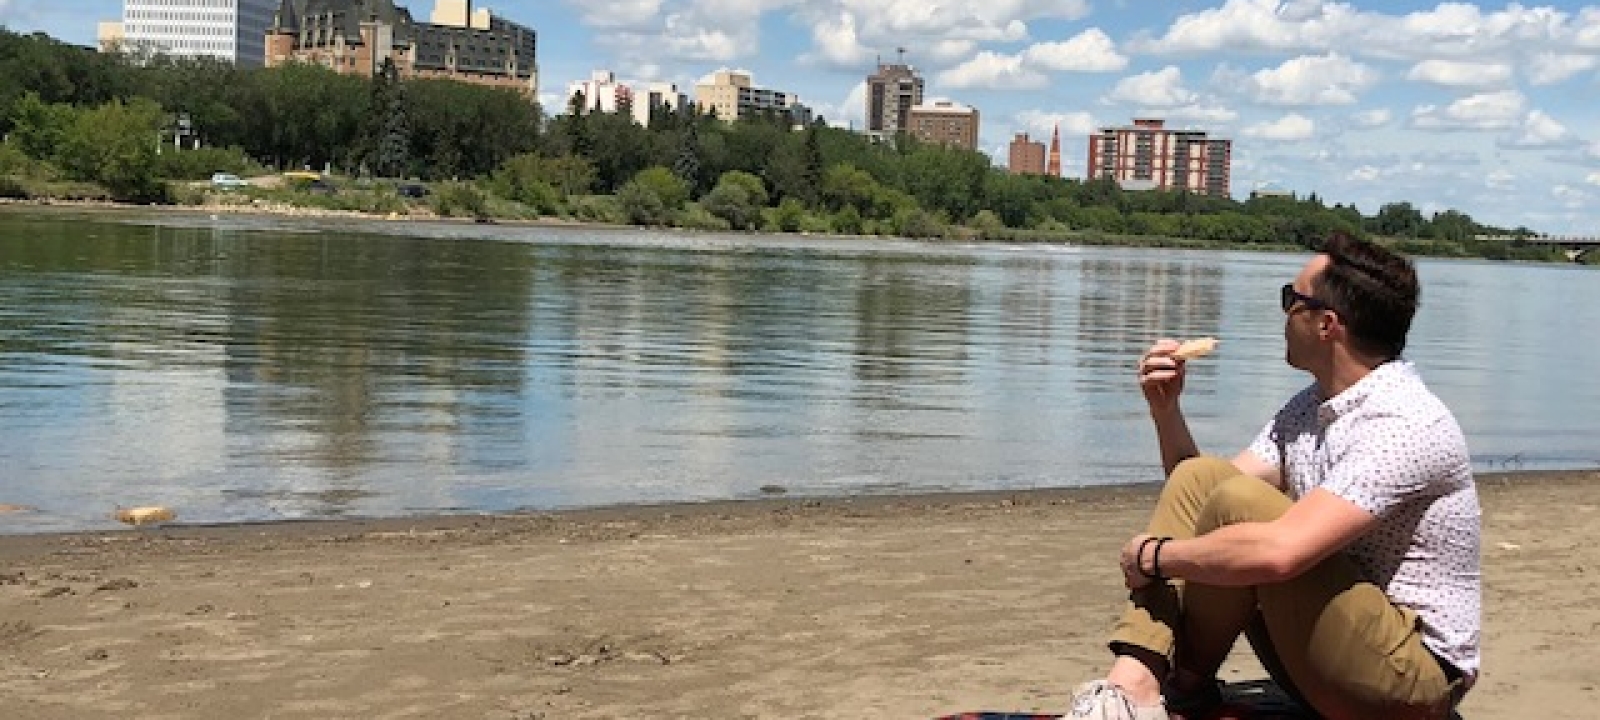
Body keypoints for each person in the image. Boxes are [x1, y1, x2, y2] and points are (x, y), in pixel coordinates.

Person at [1067, 235, 1480, 720]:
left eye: (1292, 299)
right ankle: (1149, 681)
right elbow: (1202, 501)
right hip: (1332, 651)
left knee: (1246, 508)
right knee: (1204, 478)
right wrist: (1166, 411)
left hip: (1410, 680)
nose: (1282, 312)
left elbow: (1280, 553)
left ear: (1326, 325)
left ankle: (1147, 689)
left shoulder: (1405, 424)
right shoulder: (1313, 406)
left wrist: (1154, 557)